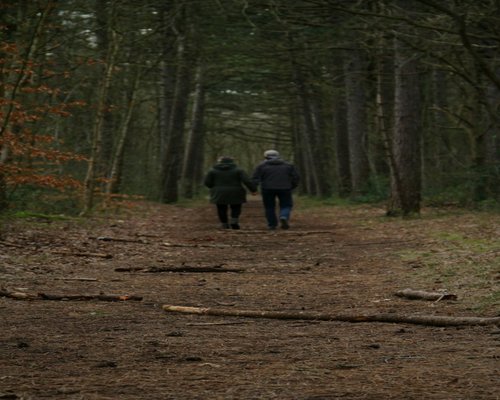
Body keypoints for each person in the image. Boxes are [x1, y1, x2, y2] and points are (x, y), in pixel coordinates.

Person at [204, 156, 257, 229]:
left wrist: (214, 187)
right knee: (236, 207)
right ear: (232, 162)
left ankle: (224, 224)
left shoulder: (212, 171)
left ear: (220, 162)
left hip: (219, 192)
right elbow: (246, 181)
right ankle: (234, 221)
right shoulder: (239, 170)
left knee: (221, 208)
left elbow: (207, 182)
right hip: (236, 191)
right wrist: (253, 190)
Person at [252, 149, 300, 230]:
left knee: (269, 207)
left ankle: (272, 225)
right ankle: (283, 216)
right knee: (286, 205)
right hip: (285, 188)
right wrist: (292, 186)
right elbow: (296, 177)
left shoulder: (261, 166)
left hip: (267, 188)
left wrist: (254, 188)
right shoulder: (288, 165)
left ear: (266, 157)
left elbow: (255, 178)